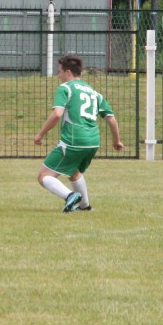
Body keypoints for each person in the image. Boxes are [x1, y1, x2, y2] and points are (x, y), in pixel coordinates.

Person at [34, 55, 123, 212]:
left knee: (43, 176)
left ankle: (70, 196)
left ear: (68, 72)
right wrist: (117, 141)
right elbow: (111, 119)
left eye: (59, 71)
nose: (58, 75)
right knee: (74, 173)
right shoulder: (95, 93)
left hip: (74, 140)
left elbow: (57, 114)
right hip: (93, 142)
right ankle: (85, 206)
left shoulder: (65, 88)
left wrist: (40, 134)